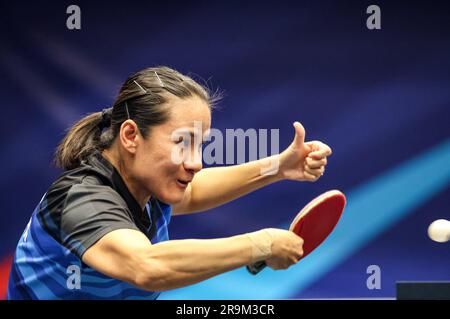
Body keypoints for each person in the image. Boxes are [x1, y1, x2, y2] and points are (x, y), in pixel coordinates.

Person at [7, 66, 332, 299]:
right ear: (131, 136)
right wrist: (261, 245)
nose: (196, 162)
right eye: (182, 142)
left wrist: (278, 167)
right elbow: (146, 266)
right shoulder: (80, 199)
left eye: (200, 145)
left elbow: (194, 191)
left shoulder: (148, 184)